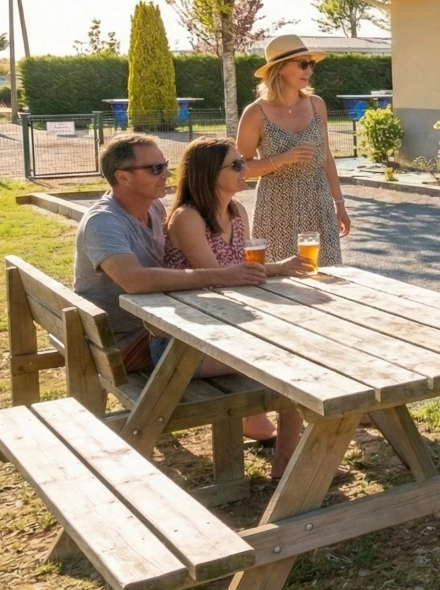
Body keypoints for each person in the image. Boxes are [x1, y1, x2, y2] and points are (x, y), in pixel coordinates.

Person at [161, 137, 308, 471]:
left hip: (222, 328)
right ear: (210, 173)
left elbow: (240, 270)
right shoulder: (188, 218)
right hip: (185, 344)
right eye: (237, 164)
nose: (246, 168)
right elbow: (216, 278)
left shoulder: (237, 211)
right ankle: (288, 460)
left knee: (297, 343)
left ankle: (277, 439)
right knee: (294, 358)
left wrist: (280, 267)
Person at [74, 134, 267, 373]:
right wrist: (222, 275)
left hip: (162, 327)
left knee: (270, 345)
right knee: (269, 358)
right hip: (125, 344)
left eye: (165, 165)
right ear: (122, 177)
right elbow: (134, 280)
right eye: (155, 169)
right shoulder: (104, 222)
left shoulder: (153, 207)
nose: (167, 174)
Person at [238, 34, 351, 267]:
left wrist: (339, 205)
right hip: (276, 206)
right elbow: (239, 169)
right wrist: (282, 159)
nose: (309, 70)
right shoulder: (255, 113)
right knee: (281, 285)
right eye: (303, 64)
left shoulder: (316, 104)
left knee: (326, 273)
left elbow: (326, 158)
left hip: (318, 200)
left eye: (311, 64)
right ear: (279, 69)